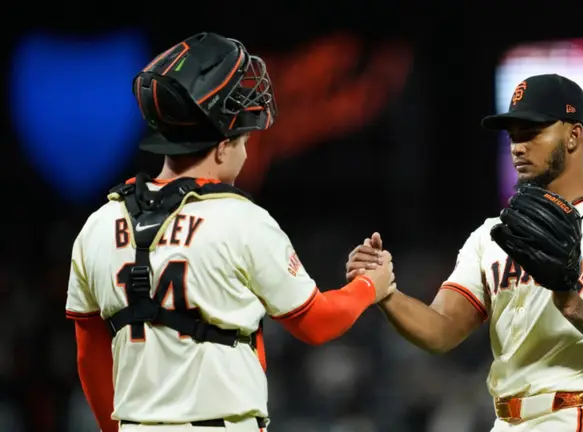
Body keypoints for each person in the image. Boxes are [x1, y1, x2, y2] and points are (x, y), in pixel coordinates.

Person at [65, 32, 395, 432]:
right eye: (244, 141)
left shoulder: (99, 225)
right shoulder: (241, 220)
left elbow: (90, 356)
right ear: (221, 147)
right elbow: (317, 322)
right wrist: (370, 286)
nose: (246, 151)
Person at [346, 74, 583, 431]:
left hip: (576, 415)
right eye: (514, 136)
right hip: (505, 421)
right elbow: (441, 330)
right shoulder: (491, 235)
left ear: (573, 136)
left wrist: (572, 306)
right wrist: (387, 294)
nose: (518, 147)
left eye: (532, 132)